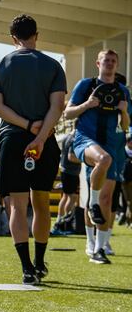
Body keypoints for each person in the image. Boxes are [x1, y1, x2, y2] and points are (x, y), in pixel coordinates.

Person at [0, 14, 66, 285]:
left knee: (18, 207)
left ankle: (27, 268)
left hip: (11, 140)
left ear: (13, 38)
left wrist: (27, 125)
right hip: (46, 140)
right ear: (36, 35)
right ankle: (41, 261)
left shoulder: (0, 65)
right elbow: (57, 107)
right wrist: (41, 137)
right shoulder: (53, 65)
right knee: (41, 203)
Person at [64, 50, 130, 264]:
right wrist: (88, 105)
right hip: (86, 140)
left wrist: (125, 112)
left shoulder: (122, 91)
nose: (110, 64)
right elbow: (68, 113)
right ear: (98, 63)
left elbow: (126, 126)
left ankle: (98, 250)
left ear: (117, 64)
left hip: (110, 145)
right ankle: (89, 240)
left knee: (107, 201)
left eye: (113, 61)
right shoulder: (86, 85)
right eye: (106, 61)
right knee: (103, 162)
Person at [51, 131, 80, 236]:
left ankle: (60, 221)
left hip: (66, 170)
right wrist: (85, 159)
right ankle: (64, 223)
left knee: (66, 197)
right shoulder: (74, 138)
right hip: (70, 171)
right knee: (71, 197)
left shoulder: (67, 136)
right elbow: (71, 157)